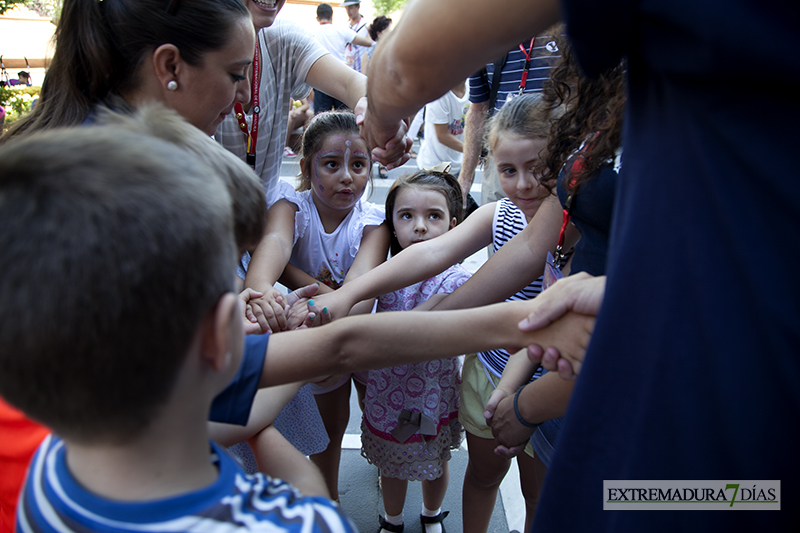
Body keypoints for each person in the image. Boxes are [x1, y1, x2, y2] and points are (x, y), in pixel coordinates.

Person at [0, 121, 595, 532]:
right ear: (215, 330)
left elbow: (263, 408)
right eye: (227, 280)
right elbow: (296, 409)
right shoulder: (288, 517)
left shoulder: (40, 464)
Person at [362, 0, 800, 530]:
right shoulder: (627, 106)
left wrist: (526, 405)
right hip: (635, 394)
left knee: (686, 502)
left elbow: (410, 62)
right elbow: (536, 262)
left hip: (681, 404)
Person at [300, 94, 560, 532]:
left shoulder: (568, 229)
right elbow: (432, 253)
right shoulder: (500, 214)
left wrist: (394, 328)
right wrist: (347, 296)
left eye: (536, 167)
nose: (523, 185)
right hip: (490, 373)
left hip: (546, 384)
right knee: (481, 476)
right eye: (508, 170)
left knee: (540, 494)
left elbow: (465, 298)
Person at [241, 111, 390, 501]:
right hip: (314, 336)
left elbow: (359, 293)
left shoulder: (373, 222)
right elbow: (273, 242)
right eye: (331, 164)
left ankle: (386, 472)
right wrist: (259, 290)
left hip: (357, 332)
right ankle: (329, 498)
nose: (347, 176)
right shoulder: (291, 206)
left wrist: (304, 292)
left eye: (358, 165)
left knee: (379, 412)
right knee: (331, 427)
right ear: (306, 168)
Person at [214, 0, 406, 209]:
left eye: (358, 165)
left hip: (260, 223)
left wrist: (377, 112)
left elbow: (350, 83)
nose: (243, 92)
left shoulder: (283, 39)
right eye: (233, 75)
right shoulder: (189, 54)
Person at [361, 170, 470, 533]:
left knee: (436, 461)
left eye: (433, 216)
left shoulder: (453, 277)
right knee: (391, 467)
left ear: (454, 225)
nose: (419, 226)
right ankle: (391, 521)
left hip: (433, 396)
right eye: (407, 216)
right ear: (392, 224)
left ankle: (431, 514)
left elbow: (449, 306)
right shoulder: (385, 272)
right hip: (388, 395)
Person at [0, 0, 253, 144]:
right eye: (237, 75)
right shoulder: (136, 187)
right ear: (170, 67)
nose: (245, 94)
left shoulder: (68, 141)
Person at [458, 29, 561, 211]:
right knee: (498, 224)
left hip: (555, 159)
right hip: (502, 158)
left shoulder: (568, 26)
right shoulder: (485, 35)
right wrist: (465, 179)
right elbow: (478, 108)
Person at [312, 3, 372, 115]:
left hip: (320, 81)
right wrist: (368, 30)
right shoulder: (341, 29)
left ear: (317, 18)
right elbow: (368, 43)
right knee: (345, 118)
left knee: (322, 120)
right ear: (331, 16)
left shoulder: (312, 33)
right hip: (341, 78)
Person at [416, 80, 469, 178]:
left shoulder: (471, 89)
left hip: (457, 164)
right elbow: (442, 136)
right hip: (433, 167)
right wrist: (473, 151)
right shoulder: (440, 94)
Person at [340, 1, 369, 74]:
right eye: (346, 8)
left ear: (358, 7)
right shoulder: (345, 27)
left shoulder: (366, 27)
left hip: (362, 71)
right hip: (348, 70)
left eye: (351, 8)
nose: (348, 11)